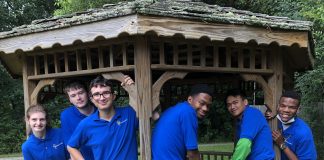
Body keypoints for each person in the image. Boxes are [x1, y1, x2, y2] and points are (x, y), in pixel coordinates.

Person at [67, 75, 138, 160]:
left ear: (113, 96)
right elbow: (71, 147)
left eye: (106, 93)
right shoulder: (86, 124)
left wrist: (133, 90)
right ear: (92, 99)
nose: (102, 98)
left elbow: (151, 113)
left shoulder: (129, 114)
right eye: (96, 94)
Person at [152, 84, 213, 160]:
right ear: (190, 99)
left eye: (208, 106)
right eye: (202, 103)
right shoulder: (188, 112)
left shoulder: (172, 110)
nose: (205, 108)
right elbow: (192, 154)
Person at [265, 91, 317, 160]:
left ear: (298, 109)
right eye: (283, 106)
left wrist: (282, 144)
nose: (286, 110)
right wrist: (266, 118)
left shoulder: (303, 132)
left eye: (292, 107)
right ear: (278, 106)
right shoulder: (273, 120)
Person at [225, 89, 274, 160]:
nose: (232, 107)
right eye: (229, 105)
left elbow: (244, 144)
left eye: (235, 102)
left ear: (245, 102)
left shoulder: (251, 113)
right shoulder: (240, 120)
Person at [60, 81, 96, 160]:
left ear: (88, 93)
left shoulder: (100, 110)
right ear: (70, 100)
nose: (78, 98)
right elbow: (69, 144)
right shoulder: (66, 115)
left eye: (81, 93)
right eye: (73, 96)